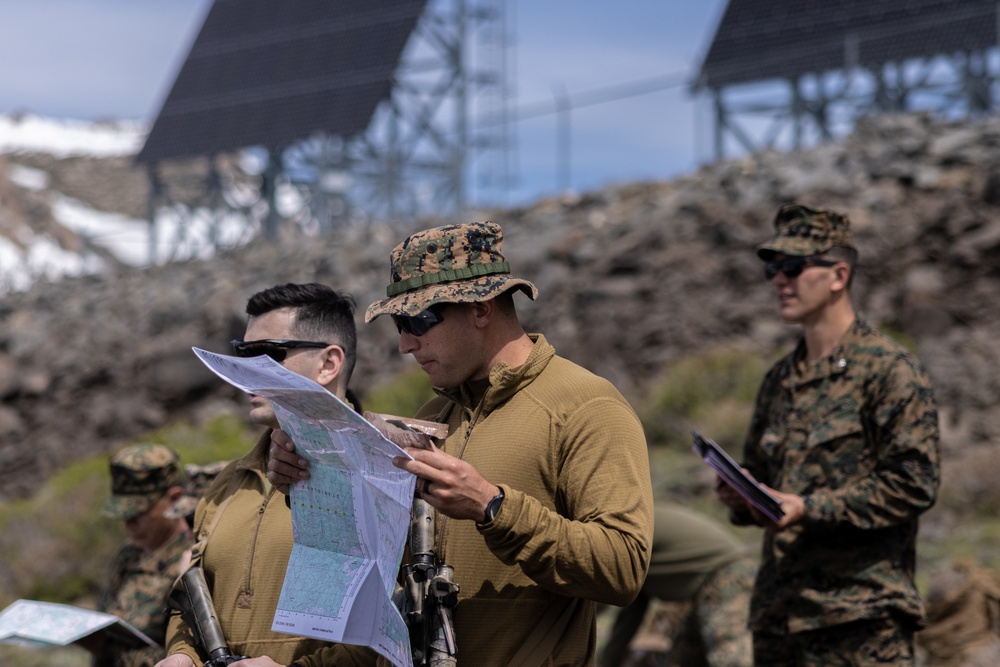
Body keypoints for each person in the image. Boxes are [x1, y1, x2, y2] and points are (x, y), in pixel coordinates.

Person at [270, 221, 654, 665]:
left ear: (482, 307)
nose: (405, 344)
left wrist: (493, 507)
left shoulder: (585, 406)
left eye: (418, 319)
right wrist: (310, 481)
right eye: (399, 323)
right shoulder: (432, 420)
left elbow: (623, 569)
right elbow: (389, 586)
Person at [715, 204, 941, 666]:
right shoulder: (779, 380)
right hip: (780, 619)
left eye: (794, 268)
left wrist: (809, 509)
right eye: (773, 268)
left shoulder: (888, 371)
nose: (780, 280)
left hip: (859, 621)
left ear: (839, 276)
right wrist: (743, 495)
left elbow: (913, 484)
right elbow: (763, 476)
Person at [156, 283, 374, 667]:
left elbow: (400, 628)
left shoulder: (388, 475)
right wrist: (181, 656)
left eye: (268, 353)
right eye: (243, 354)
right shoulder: (226, 485)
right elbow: (188, 602)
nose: (246, 370)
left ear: (328, 364)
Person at [598, 502, 754, 667]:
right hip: (706, 586)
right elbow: (630, 617)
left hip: (726, 575)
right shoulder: (632, 534)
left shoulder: (627, 527)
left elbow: (591, 598)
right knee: (683, 659)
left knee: (731, 657)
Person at [94, 443, 194, 667]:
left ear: (175, 497)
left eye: (139, 512)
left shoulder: (194, 555)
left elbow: (194, 648)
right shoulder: (128, 554)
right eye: (123, 513)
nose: (128, 523)